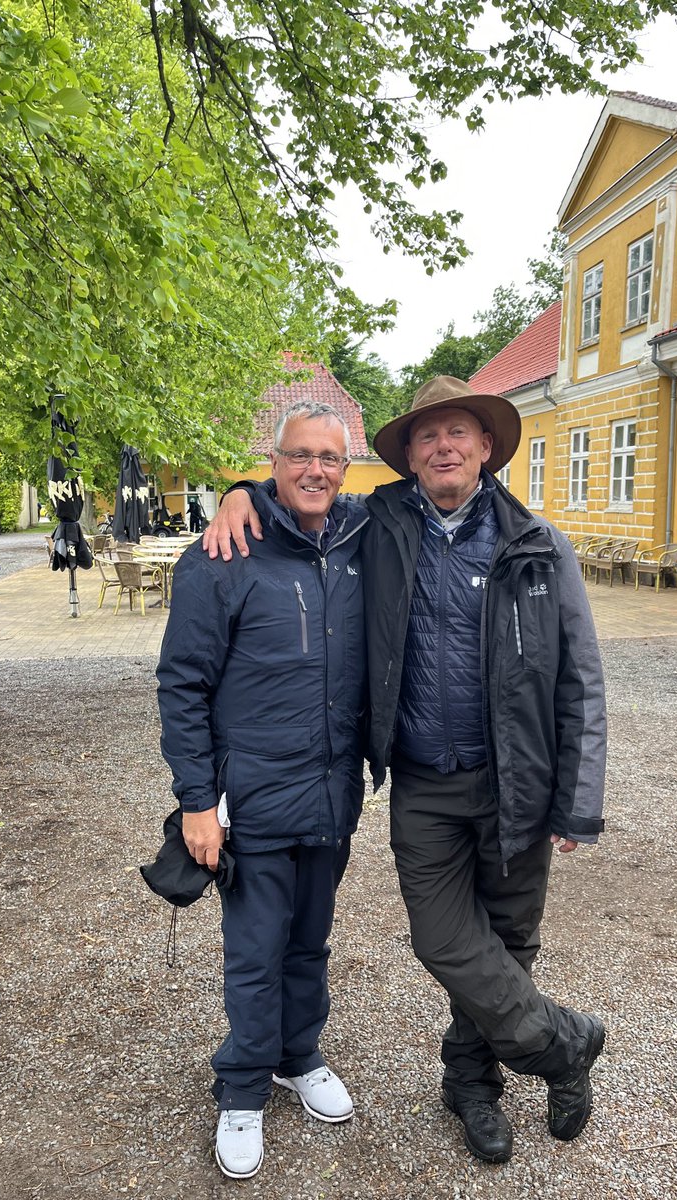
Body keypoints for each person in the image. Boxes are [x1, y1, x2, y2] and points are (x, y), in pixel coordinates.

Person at [204, 376, 608, 1164]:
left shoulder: (538, 543)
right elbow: (306, 490)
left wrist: (577, 798)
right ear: (410, 456)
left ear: (487, 448)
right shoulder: (376, 521)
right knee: (445, 939)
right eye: (428, 436)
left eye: (459, 432)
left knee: (509, 942)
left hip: (517, 778)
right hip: (424, 781)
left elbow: (581, 678)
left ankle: (472, 1086)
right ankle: (565, 1045)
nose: (444, 446)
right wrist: (240, 491)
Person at [157, 401, 368, 1180]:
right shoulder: (224, 554)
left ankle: (296, 1055)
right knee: (255, 953)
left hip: (332, 794)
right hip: (251, 800)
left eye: (331, 458)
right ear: (275, 464)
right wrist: (196, 800)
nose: (316, 470)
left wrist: (241, 484)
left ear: (345, 471)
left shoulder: (357, 538)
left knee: (310, 942)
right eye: (299, 456)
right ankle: (241, 1089)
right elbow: (181, 683)